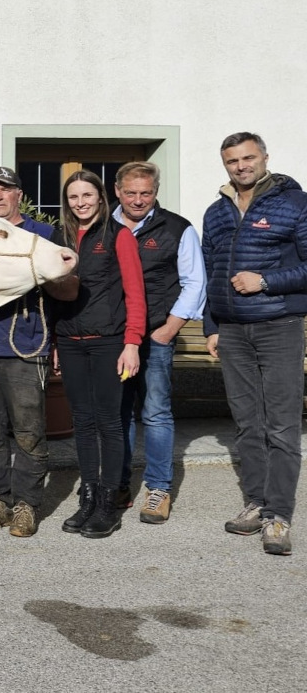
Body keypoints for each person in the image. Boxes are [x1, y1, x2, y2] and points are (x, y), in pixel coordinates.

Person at [202, 132, 307, 556]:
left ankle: (278, 515)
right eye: (232, 161)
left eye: (248, 158)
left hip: (279, 326)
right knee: (248, 424)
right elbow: (211, 272)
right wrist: (211, 325)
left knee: (281, 425)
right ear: (224, 164)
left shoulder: (295, 203)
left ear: (264, 157)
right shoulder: (216, 212)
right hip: (232, 332)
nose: (241, 166)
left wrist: (265, 281)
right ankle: (256, 503)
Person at [0, 167, 78, 537]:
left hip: (26, 345)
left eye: (5, 190)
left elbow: (69, 292)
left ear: (19, 195)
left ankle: (27, 505)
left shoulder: (43, 236)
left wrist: (45, 278)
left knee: (29, 433)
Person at [113, 162, 206, 523]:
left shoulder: (176, 228)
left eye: (145, 193)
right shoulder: (106, 226)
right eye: (131, 192)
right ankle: (118, 483)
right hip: (115, 339)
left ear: (156, 192)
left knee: (155, 413)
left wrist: (168, 329)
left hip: (155, 336)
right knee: (117, 414)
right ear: (118, 191)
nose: (138, 200)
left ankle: (158, 489)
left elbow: (195, 281)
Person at [55, 171, 145, 539]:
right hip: (70, 342)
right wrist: (55, 347)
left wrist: (132, 343)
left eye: (87, 195)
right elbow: (52, 296)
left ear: (100, 197)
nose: (81, 203)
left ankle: (109, 501)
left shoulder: (118, 235)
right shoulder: (57, 237)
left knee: (109, 422)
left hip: (110, 341)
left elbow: (136, 294)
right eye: (74, 197)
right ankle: (88, 497)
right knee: (82, 421)